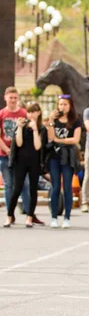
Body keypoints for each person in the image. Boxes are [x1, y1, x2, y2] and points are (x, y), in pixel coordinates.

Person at [4, 102, 46, 228]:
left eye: (34, 112)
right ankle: (9, 215)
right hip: (21, 161)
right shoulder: (21, 125)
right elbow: (19, 143)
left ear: (38, 113)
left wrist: (34, 129)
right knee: (17, 189)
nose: (31, 115)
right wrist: (20, 128)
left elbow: (38, 146)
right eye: (29, 112)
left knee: (33, 189)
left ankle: (29, 216)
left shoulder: (41, 128)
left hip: (34, 161)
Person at [47, 95, 82, 228]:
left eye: (65, 104)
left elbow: (75, 140)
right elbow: (50, 138)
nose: (62, 107)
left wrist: (59, 140)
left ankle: (67, 217)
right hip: (54, 157)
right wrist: (51, 120)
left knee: (67, 187)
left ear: (70, 106)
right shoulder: (54, 120)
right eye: (60, 104)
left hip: (68, 157)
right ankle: (54, 217)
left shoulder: (75, 121)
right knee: (55, 187)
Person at [0, 86, 30, 220]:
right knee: (8, 185)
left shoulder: (24, 113)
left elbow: (29, 133)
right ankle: (10, 214)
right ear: (5, 98)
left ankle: (29, 213)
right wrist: (7, 150)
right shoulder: (1, 114)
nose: (13, 100)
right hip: (4, 154)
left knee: (25, 184)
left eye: (15, 98)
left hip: (21, 156)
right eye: (10, 97)